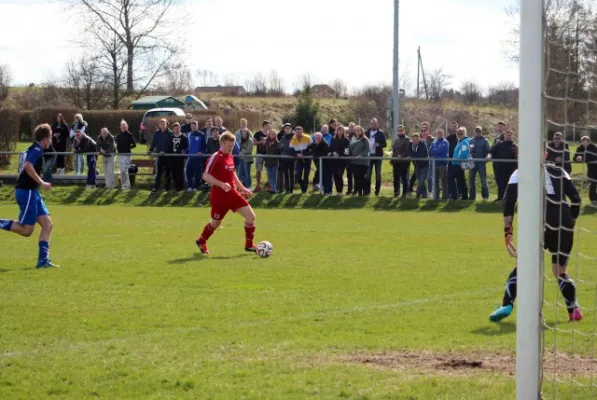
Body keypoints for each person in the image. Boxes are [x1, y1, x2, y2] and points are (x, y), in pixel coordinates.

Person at [489, 163, 583, 323]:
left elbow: (509, 202)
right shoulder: (560, 171)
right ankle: (573, 310)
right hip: (564, 221)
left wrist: (508, 231)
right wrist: (571, 220)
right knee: (560, 270)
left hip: (539, 221)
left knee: (522, 266)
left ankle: (507, 305)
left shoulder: (520, 172)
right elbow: (576, 199)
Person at [0, 124, 58, 268]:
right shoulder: (37, 149)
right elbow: (27, 165)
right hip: (27, 192)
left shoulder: (32, 148)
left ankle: (43, 261)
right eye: (50, 137)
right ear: (44, 138)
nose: (50, 140)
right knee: (27, 231)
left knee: (47, 224)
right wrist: (42, 182)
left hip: (32, 192)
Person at [196, 132, 256, 254]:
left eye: (233, 146)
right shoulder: (216, 156)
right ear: (222, 143)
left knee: (251, 217)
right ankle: (201, 240)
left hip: (233, 194)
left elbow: (232, 173)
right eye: (229, 145)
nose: (231, 148)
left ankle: (249, 245)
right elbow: (205, 176)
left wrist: (242, 188)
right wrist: (221, 184)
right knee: (215, 224)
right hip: (219, 197)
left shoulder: (230, 156)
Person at [348, 125, 371, 196]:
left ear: (362, 131)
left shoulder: (365, 139)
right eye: (356, 130)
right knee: (356, 177)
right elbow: (350, 148)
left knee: (362, 177)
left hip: (363, 162)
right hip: (354, 161)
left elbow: (367, 149)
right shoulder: (353, 139)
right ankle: (357, 191)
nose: (357, 131)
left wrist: (361, 155)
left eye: (359, 130)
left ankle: (364, 191)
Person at [574, 136, 597, 204]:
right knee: (592, 184)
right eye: (583, 141)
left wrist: (583, 158)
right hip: (591, 169)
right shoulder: (580, 148)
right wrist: (577, 158)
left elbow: (592, 157)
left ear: (589, 142)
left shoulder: (593, 147)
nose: (585, 143)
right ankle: (593, 200)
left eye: (586, 141)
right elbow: (574, 157)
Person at [186, 120, 207, 191]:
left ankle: (196, 187)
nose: (194, 127)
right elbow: (188, 146)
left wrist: (201, 152)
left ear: (197, 126)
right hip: (190, 157)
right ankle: (189, 186)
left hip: (198, 157)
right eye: (192, 126)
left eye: (195, 125)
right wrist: (185, 151)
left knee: (197, 173)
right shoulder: (189, 134)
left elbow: (204, 146)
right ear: (191, 127)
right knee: (188, 172)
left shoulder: (201, 134)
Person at [116, 120, 136, 190]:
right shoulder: (118, 136)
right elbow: (117, 145)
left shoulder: (129, 135)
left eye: (124, 126)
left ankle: (127, 186)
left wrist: (128, 147)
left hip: (127, 154)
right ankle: (123, 185)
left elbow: (134, 145)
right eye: (122, 126)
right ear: (120, 127)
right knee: (122, 171)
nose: (123, 127)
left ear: (127, 127)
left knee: (125, 170)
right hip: (120, 155)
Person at [391, 125, 410, 198]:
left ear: (404, 131)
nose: (399, 131)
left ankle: (405, 193)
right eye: (398, 130)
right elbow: (394, 150)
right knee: (396, 178)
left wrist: (401, 156)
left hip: (403, 162)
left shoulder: (406, 139)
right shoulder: (396, 140)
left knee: (404, 178)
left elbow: (407, 150)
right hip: (396, 162)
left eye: (401, 130)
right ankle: (396, 192)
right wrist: (392, 159)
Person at [264, 129, 280, 194]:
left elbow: (278, 152)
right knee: (270, 176)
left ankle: (273, 189)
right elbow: (264, 151)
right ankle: (274, 189)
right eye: (271, 134)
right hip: (268, 162)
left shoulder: (277, 143)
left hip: (275, 162)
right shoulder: (266, 142)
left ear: (275, 135)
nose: (272, 135)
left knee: (274, 176)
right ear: (269, 135)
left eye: (273, 134)